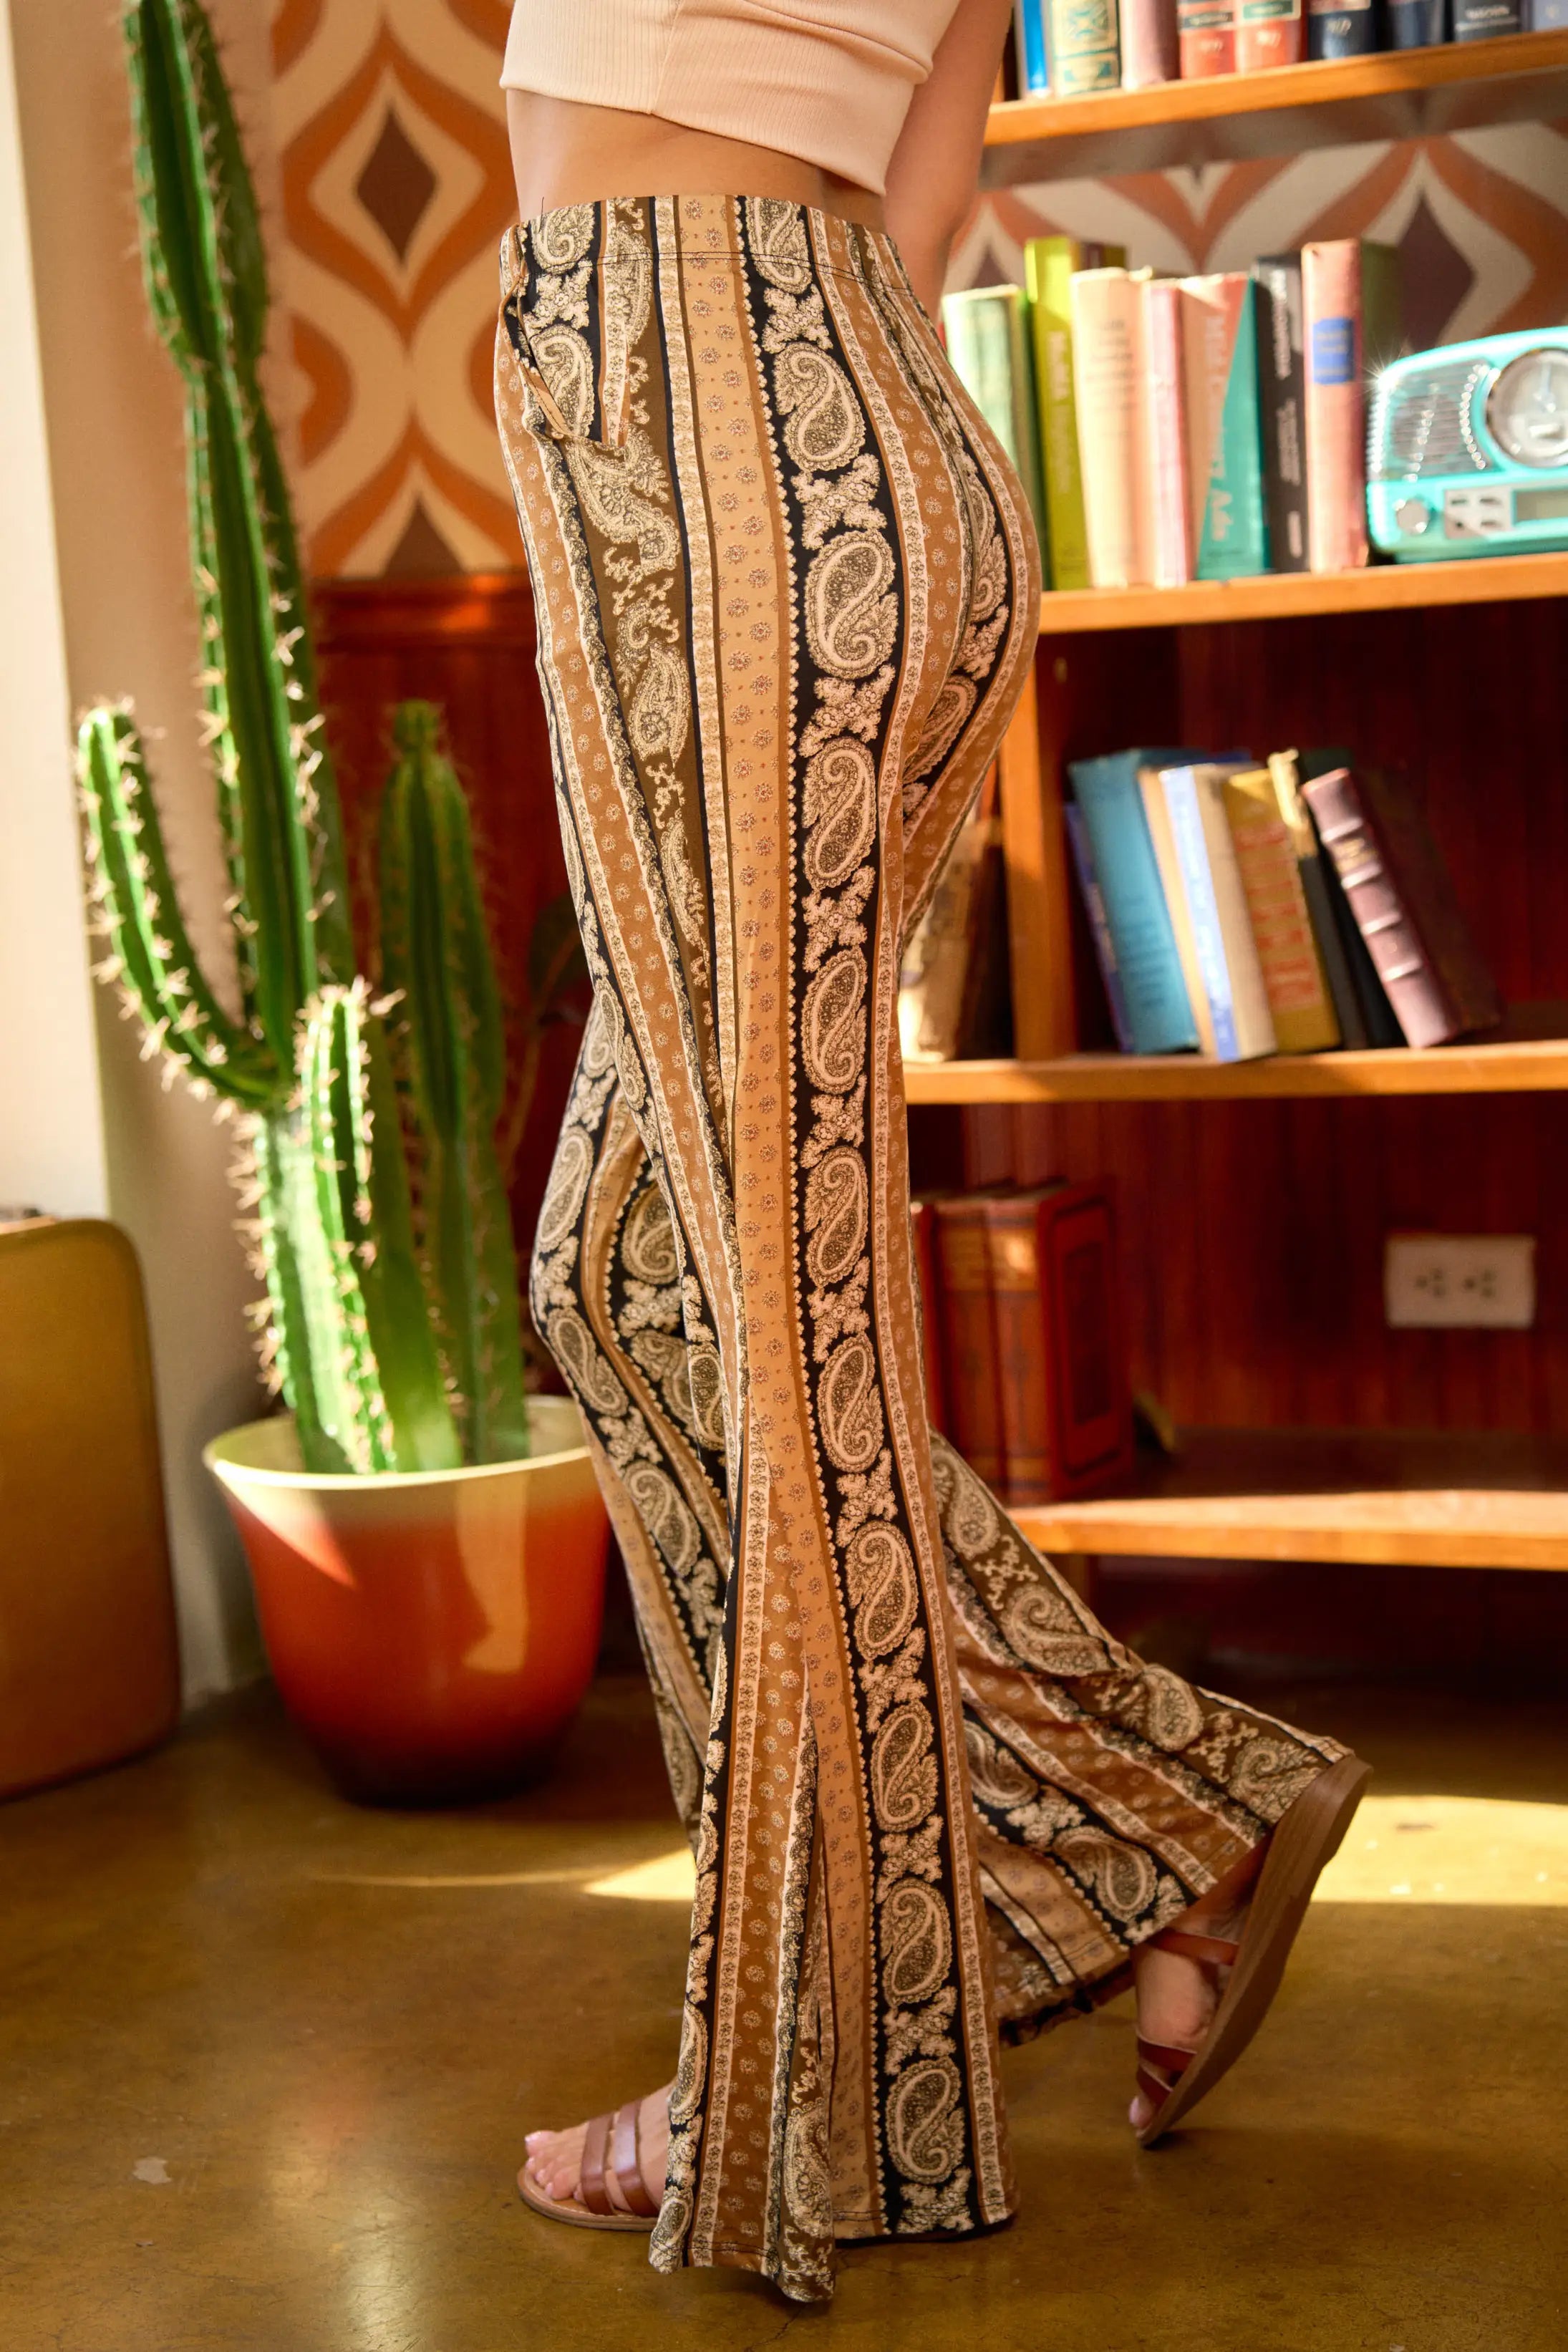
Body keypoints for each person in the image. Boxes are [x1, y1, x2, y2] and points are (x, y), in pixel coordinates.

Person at [493, 0, 1368, 2305]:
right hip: (848, 414)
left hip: (707, 407)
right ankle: (1172, 1818)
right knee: (622, 1278)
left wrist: (695, 405)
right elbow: (934, 181)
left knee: (771, 1331)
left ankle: (814, 2085)